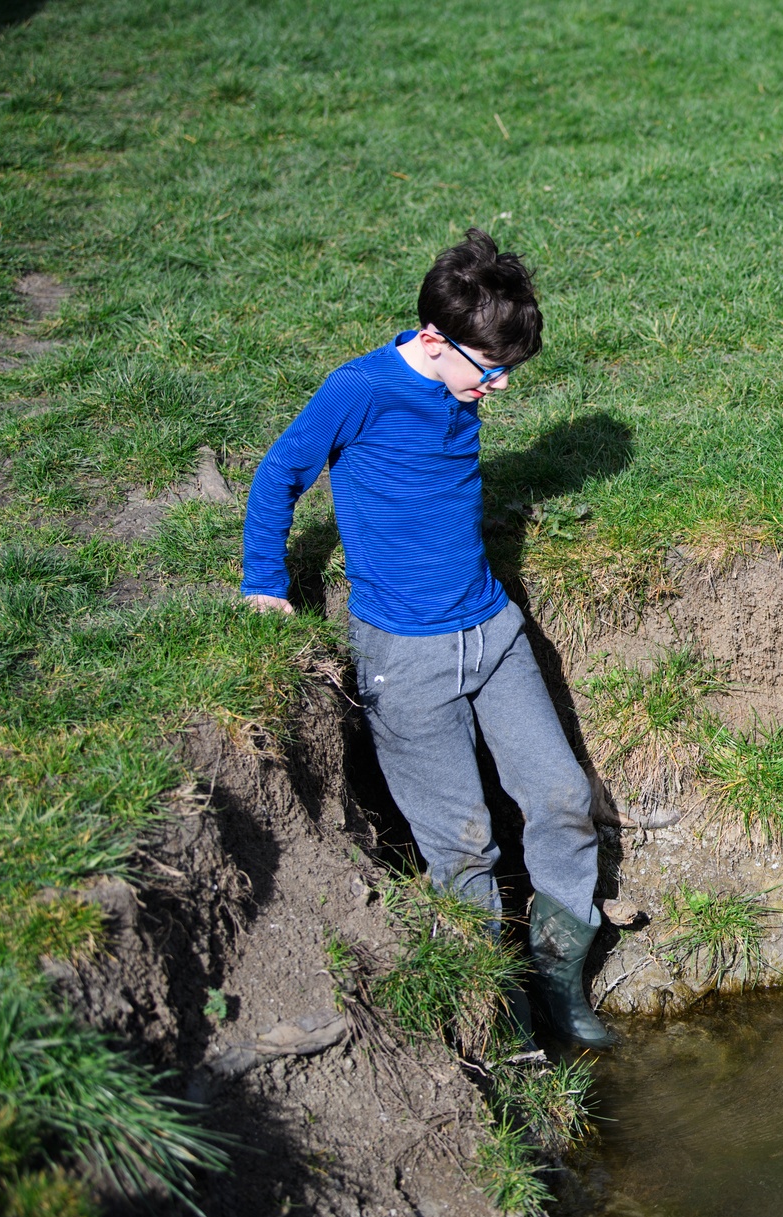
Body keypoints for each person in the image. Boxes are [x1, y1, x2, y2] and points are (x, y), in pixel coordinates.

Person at [239, 229, 615, 1049]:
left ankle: (560, 984)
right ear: (434, 339)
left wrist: (482, 370)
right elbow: (280, 473)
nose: (499, 386)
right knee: (464, 844)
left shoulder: (458, 381)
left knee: (564, 799)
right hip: (405, 658)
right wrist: (265, 583)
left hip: (493, 631)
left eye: (508, 370)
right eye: (490, 369)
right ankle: (500, 1025)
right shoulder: (359, 390)